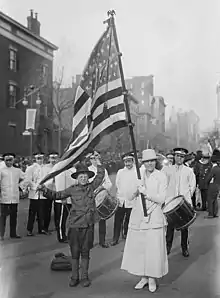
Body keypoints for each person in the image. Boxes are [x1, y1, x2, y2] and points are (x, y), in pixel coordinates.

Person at [38, 161, 105, 288]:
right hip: (75, 226)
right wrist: (45, 190)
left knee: (85, 252)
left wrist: (98, 163)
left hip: (88, 225)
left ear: (88, 177)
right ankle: (75, 277)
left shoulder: (91, 187)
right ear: (77, 178)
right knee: (75, 252)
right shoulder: (72, 190)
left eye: (85, 176)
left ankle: (84, 277)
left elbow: (100, 176)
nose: (83, 178)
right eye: (81, 176)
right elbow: (56, 195)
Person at [121, 149, 168, 293]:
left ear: (156, 162)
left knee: (153, 249)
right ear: (143, 162)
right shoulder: (138, 175)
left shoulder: (161, 176)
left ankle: (152, 278)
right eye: (147, 161)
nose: (150, 164)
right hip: (139, 217)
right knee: (140, 249)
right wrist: (136, 189)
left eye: (152, 161)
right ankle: (144, 277)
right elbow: (128, 196)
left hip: (155, 217)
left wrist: (146, 192)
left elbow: (162, 198)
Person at [163, 148, 196, 257]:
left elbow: (192, 186)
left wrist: (186, 198)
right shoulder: (167, 170)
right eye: (177, 156)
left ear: (184, 158)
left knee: (184, 228)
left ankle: (184, 248)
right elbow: (163, 184)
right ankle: (167, 248)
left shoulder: (189, 171)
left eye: (182, 157)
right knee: (170, 228)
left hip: (183, 203)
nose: (179, 158)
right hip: (170, 203)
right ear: (174, 157)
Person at [112, 152, 138, 246]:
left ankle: (127, 235)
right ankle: (115, 238)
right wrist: (117, 196)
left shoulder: (137, 171)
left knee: (129, 220)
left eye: (129, 161)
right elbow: (117, 185)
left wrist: (135, 193)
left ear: (133, 161)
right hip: (121, 201)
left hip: (132, 201)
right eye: (126, 162)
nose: (127, 164)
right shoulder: (120, 172)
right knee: (118, 220)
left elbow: (140, 185)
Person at [87, 150, 112, 248]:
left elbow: (109, 183)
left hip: (101, 198)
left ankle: (102, 241)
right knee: (91, 222)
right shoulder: (88, 170)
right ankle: (90, 242)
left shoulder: (103, 170)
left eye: (96, 157)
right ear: (90, 160)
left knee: (102, 220)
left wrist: (103, 187)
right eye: (92, 158)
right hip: (91, 198)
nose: (94, 160)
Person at [0, 153, 25, 240]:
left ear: (13, 160)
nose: (9, 162)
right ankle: (1, 234)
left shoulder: (17, 171)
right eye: (7, 160)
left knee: (13, 216)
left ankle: (13, 233)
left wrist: (20, 186)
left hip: (14, 196)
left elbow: (25, 178)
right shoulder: (1, 170)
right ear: (4, 160)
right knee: (3, 217)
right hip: (4, 196)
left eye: (10, 160)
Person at [24, 152, 49, 236]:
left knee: (42, 213)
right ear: (35, 159)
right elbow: (28, 180)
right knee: (32, 213)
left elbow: (49, 179)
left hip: (42, 193)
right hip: (34, 193)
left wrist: (44, 186)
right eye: (38, 158)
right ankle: (29, 229)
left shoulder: (46, 168)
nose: (40, 160)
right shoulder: (31, 168)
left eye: (41, 158)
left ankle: (41, 229)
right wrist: (35, 187)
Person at [53, 166, 77, 243]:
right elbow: (60, 185)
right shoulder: (62, 171)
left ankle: (66, 235)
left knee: (67, 219)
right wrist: (62, 197)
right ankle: (61, 236)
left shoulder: (73, 170)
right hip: (63, 200)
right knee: (61, 220)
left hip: (70, 199)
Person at [43, 152, 59, 233]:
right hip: (48, 190)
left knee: (57, 210)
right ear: (49, 159)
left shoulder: (60, 167)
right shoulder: (45, 168)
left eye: (55, 158)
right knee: (47, 210)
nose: (53, 160)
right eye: (52, 158)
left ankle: (57, 227)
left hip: (57, 190)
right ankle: (45, 227)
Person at [206, 150, 220, 218]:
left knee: (210, 200)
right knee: (215, 200)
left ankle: (211, 214)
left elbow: (209, 177)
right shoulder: (218, 168)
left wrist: (206, 182)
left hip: (212, 185)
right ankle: (215, 213)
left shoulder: (213, 169)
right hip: (217, 185)